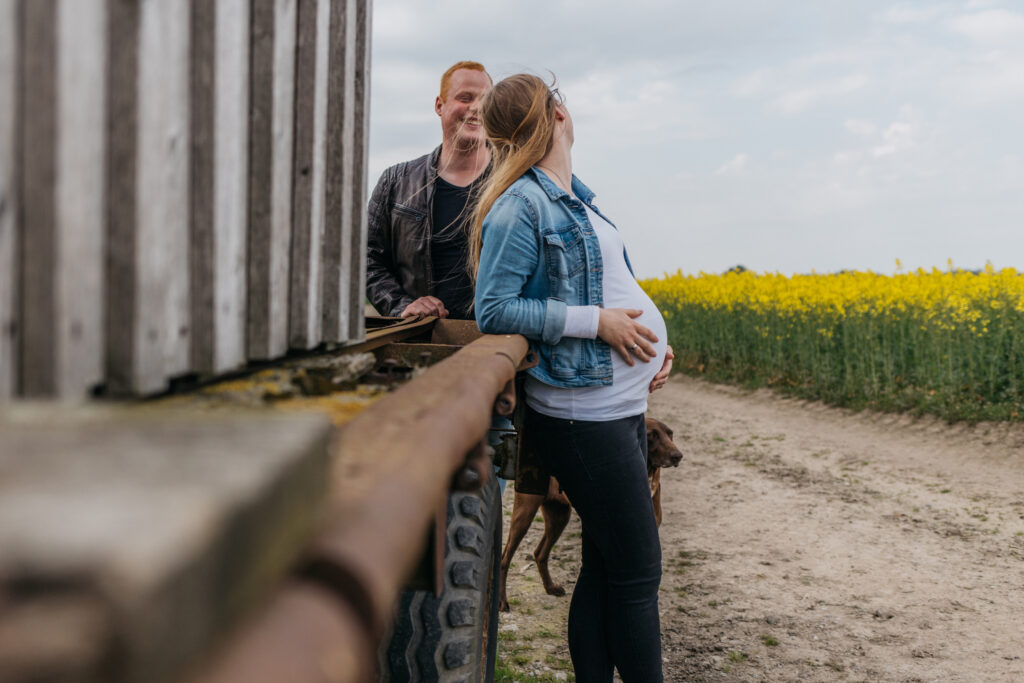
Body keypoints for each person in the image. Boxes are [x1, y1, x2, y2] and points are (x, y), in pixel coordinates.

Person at [470, 74, 674, 682]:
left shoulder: (574, 197)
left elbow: (612, 288)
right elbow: (494, 309)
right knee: (638, 570)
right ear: (558, 113)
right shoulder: (520, 204)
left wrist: (654, 349)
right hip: (584, 418)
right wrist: (597, 323)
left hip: (615, 408)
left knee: (606, 567)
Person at [365, 61, 492, 320]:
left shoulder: (517, 181)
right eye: (465, 98)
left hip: (501, 339)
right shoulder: (395, 182)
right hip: (424, 338)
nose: (477, 108)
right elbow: (366, 259)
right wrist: (402, 306)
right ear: (439, 105)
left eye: (486, 100)